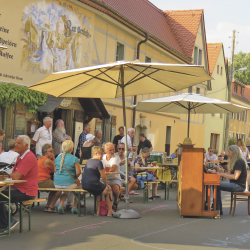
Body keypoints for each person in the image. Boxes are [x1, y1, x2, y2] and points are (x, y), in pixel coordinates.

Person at [0, 135, 38, 234]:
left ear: (26, 145)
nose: (15, 145)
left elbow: (16, 176)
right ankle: (8, 221)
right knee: (1, 194)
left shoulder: (28, 157)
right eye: (16, 142)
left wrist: (3, 176)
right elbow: (12, 177)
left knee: (0, 196)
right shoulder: (20, 156)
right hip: (18, 188)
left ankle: (5, 225)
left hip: (26, 191)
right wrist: (3, 185)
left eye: (18, 143)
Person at [216, 145, 247, 218]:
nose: (228, 153)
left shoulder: (239, 161)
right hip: (234, 184)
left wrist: (221, 174)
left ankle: (217, 209)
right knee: (216, 185)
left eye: (229, 152)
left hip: (239, 186)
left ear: (234, 152)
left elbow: (235, 177)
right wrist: (218, 173)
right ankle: (218, 209)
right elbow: (229, 174)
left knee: (216, 186)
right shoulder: (233, 161)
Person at [82, 146, 113, 216]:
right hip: (93, 184)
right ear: (96, 153)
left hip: (84, 184)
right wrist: (107, 184)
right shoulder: (99, 162)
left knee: (99, 192)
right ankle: (110, 211)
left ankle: (98, 211)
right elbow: (103, 176)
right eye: (101, 154)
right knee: (109, 190)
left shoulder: (88, 161)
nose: (102, 156)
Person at [54, 140, 81, 214]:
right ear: (71, 149)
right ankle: (75, 207)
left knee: (66, 191)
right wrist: (75, 177)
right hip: (69, 183)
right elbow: (78, 173)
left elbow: (55, 170)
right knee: (81, 190)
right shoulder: (74, 158)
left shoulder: (57, 158)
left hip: (57, 183)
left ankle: (61, 205)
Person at [37, 144, 61, 213]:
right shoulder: (47, 161)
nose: (52, 153)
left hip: (38, 181)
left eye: (53, 151)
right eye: (50, 151)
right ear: (45, 152)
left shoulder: (40, 158)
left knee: (53, 188)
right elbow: (56, 170)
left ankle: (48, 206)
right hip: (42, 181)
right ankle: (51, 206)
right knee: (59, 188)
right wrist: (53, 158)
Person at [102, 143, 121, 211]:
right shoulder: (102, 157)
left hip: (114, 177)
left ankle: (116, 200)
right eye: (110, 150)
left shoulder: (115, 157)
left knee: (115, 189)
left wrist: (102, 171)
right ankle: (102, 206)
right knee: (100, 189)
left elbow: (113, 169)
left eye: (113, 150)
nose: (112, 151)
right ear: (105, 150)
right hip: (104, 178)